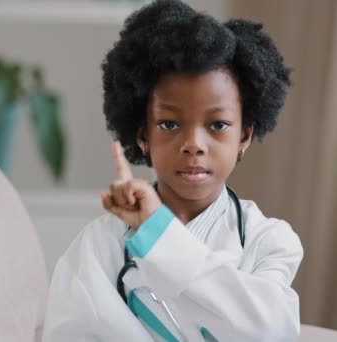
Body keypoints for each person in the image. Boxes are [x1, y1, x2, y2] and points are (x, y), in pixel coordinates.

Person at [43, 1, 303, 341]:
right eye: (169, 123)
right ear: (142, 135)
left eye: (217, 124)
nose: (193, 143)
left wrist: (158, 235)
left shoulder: (268, 241)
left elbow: (272, 330)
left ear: (245, 135)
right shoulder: (98, 245)